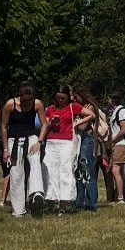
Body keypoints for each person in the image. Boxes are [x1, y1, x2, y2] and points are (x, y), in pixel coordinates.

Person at [0, 83, 44, 216]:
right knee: (16, 173)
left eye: (30, 101)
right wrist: (6, 149)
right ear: (20, 97)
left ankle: (36, 195)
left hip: (31, 137)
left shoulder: (37, 104)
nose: (27, 104)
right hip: (14, 140)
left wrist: (39, 142)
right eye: (25, 101)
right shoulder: (10, 104)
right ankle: (18, 210)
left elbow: (45, 124)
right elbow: (3, 126)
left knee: (35, 161)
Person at [40, 84, 86, 212]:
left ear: (67, 97)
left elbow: (91, 114)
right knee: (50, 170)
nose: (60, 100)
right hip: (51, 142)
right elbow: (45, 125)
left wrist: (76, 123)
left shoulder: (73, 107)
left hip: (66, 142)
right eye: (58, 98)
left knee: (65, 171)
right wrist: (51, 123)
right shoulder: (50, 109)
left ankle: (65, 202)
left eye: (63, 98)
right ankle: (51, 200)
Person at [73, 88, 103, 210]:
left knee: (87, 171)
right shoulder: (82, 108)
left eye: (76, 97)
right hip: (80, 140)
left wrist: (77, 118)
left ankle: (91, 202)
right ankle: (79, 201)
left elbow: (82, 127)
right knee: (79, 172)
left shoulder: (89, 108)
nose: (73, 99)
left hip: (87, 140)